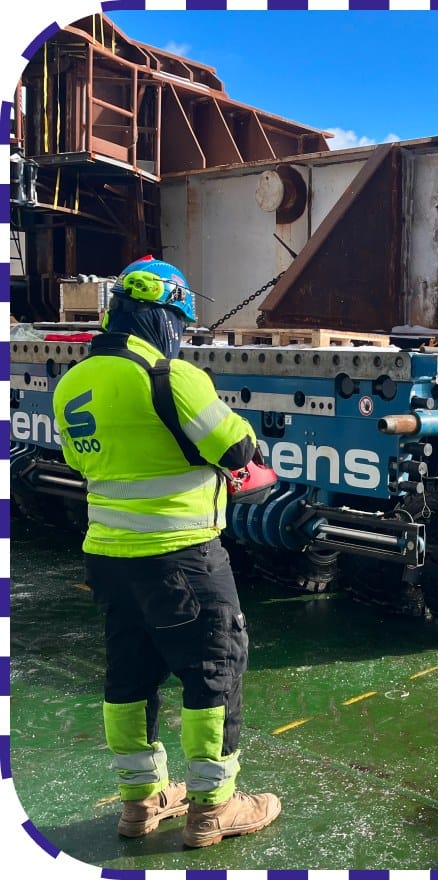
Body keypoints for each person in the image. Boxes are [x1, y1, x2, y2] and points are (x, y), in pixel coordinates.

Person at [51, 256, 281, 848]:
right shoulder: (171, 376)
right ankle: (214, 808)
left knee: (130, 674)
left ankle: (140, 802)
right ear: (162, 317)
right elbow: (237, 449)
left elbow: (81, 461)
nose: (180, 333)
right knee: (214, 671)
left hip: (107, 557)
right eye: (179, 321)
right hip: (182, 557)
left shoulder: (73, 382)